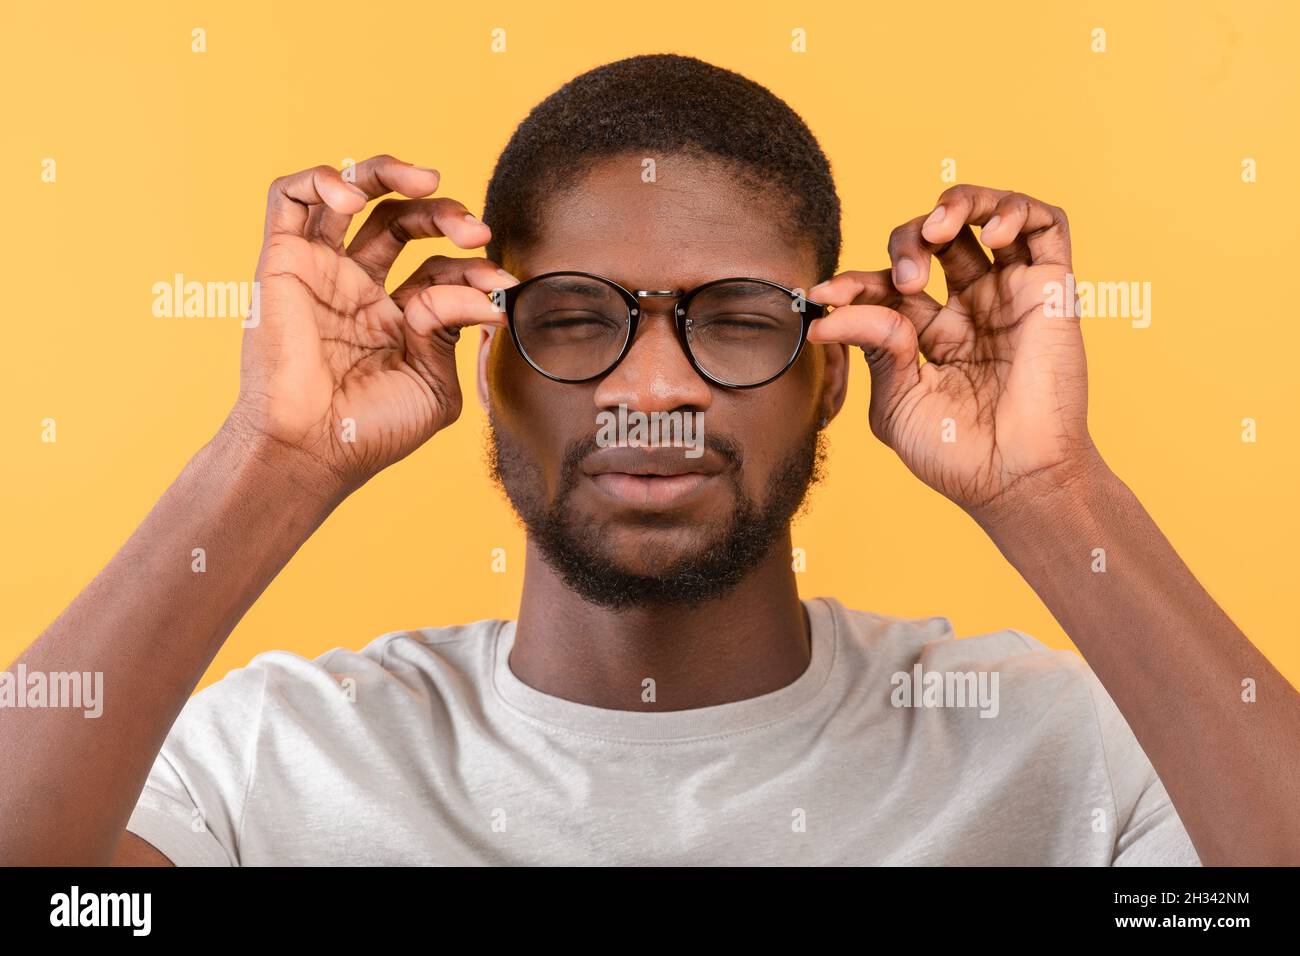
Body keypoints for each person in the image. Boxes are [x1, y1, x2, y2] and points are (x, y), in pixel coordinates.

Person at [3, 54, 1296, 866]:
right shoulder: (272, 761)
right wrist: (276, 452)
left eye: (736, 317)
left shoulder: (1061, 747)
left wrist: (1047, 490)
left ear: (835, 367)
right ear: (483, 359)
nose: (656, 385)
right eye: (575, 318)